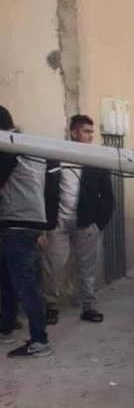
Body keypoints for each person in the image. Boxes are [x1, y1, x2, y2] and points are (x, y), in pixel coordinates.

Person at [42, 114, 114, 324]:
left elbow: (108, 196)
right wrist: (44, 223)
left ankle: (88, 306)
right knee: (53, 265)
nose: (90, 136)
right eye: (86, 131)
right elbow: (44, 189)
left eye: (92, 132)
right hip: (58, 222)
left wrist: (98, 224)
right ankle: (50, 305)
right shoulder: (56, 157)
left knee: (86, 267)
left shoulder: (96, 161)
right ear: (74, 132)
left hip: (86, 223)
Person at [0, 105, 52, 357]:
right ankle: (7, 327)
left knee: (24, 284)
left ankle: (39, 340)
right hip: (30, 221)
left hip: (17, 222)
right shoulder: (30, 147)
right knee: (12, 280)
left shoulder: (8, 148)